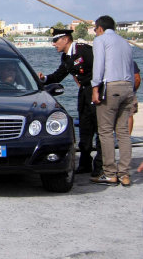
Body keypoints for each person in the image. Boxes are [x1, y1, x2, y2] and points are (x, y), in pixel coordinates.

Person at [37, 27, 102, 176]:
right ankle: (85, 164)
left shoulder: (84, 51)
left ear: (65, 39)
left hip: (95, 90)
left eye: (55, 40)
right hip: (84, 93)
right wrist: (43, 79)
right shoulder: (67, 57)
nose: (54, 44)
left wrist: (97, 90)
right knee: (85, 129)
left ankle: (100, 165)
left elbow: (100, 69)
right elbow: (59, 75)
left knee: (100, 129)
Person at [90, 15, 134, 187]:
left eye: (95, 29)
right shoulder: (125, 42)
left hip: (111, 86)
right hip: (128, 86)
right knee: (123, 132)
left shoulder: (101, 40)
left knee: (106, 131)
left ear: (99, 28)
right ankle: (124, 173)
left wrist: (95, 88)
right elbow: (130, 67)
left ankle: (109, 172)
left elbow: (99, 65)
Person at [128, 61, 140, 136]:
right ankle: (128, 137)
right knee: (129, 114)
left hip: (113, 90)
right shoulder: (131, 62)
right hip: (129, 90)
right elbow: (137, 79)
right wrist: (133, 90)